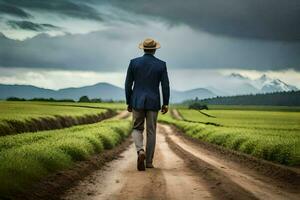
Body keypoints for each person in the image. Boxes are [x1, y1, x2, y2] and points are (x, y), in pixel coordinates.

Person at [125, 38, 170, 171]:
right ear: (155, 49)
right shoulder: (161, 65)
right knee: (151, 131)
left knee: (137, 128)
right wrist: (165, 103)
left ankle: (140, 151)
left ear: (143, 48)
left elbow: (128, 84)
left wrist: (129, 101)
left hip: (137, 101)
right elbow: (165, 85)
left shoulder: (134, 63)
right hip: (153, 102)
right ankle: (149, 162)